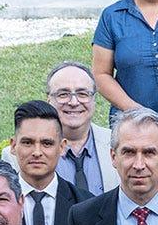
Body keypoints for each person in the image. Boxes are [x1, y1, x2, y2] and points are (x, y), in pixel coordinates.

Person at [3, 100, 87, 225]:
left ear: (62, 147)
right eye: (28, 142)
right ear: (13, 146)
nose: (37, 152)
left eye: (46, 143)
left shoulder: (85, 205)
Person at [45, 61, 118, 198]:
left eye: (82, 94)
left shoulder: (119, 144)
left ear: (94, 99)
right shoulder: (17, 157)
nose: (73, 102)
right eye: (63, 94)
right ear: (49, 100)